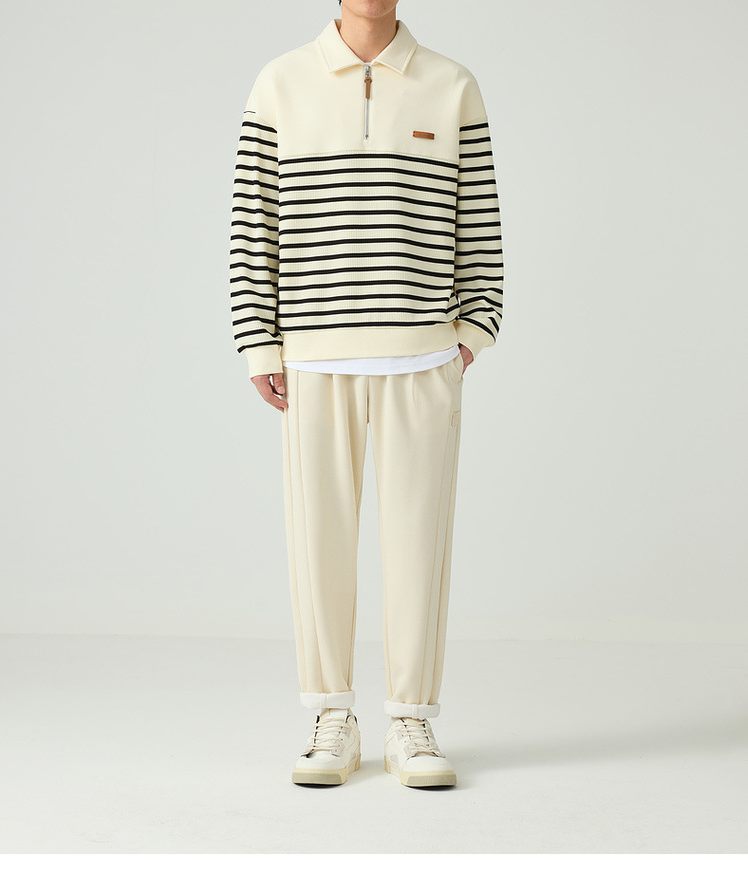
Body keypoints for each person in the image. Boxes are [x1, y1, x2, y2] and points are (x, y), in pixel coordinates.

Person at [229, 0, 503, 788]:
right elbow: (253, 221)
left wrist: (473, 329)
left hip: (421, 359)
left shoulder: (453, 85)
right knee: (318, 545)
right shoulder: (280, 83)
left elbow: (480, 219)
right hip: (315, 357)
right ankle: (331, 716)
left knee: (420, 545)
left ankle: (412, 719)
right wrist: (259, 340)